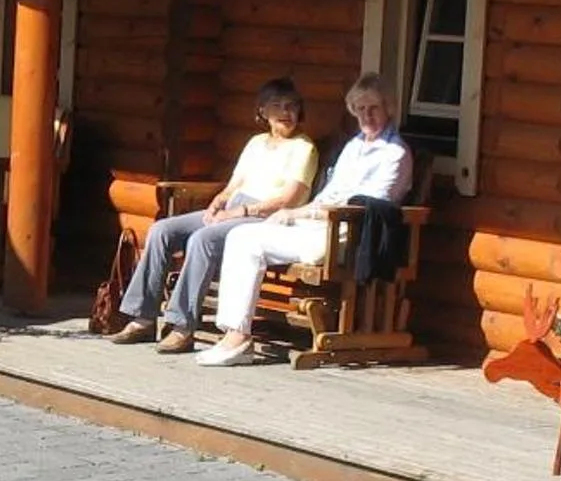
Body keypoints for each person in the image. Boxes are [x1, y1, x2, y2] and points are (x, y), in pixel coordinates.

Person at [198, 72, 414, 367]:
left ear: (389, 107)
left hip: (347, 236)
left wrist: (297, 212)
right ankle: (235, 334)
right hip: (318, 224)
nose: (367, 115)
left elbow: (368, 207)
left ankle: (238, 338)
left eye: (373, 108)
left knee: (248, 241)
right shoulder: (354, 147)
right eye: (360, 109)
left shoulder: (395, 153)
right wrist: (294, 215)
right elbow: (331, 194)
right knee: (240, 236)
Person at [108, 77, 319, 354]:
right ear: (262, 112)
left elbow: (287, 199)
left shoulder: (304, 149)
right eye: (277, 106)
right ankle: (143, 317)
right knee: (162, 230)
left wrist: (240, 211)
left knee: (203, 239)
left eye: (292, 106)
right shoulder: (256, 143)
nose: (286, 113)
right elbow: (235, 185)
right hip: (236, 206)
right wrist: (219, 202)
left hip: (265, 216)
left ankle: (182, 326)